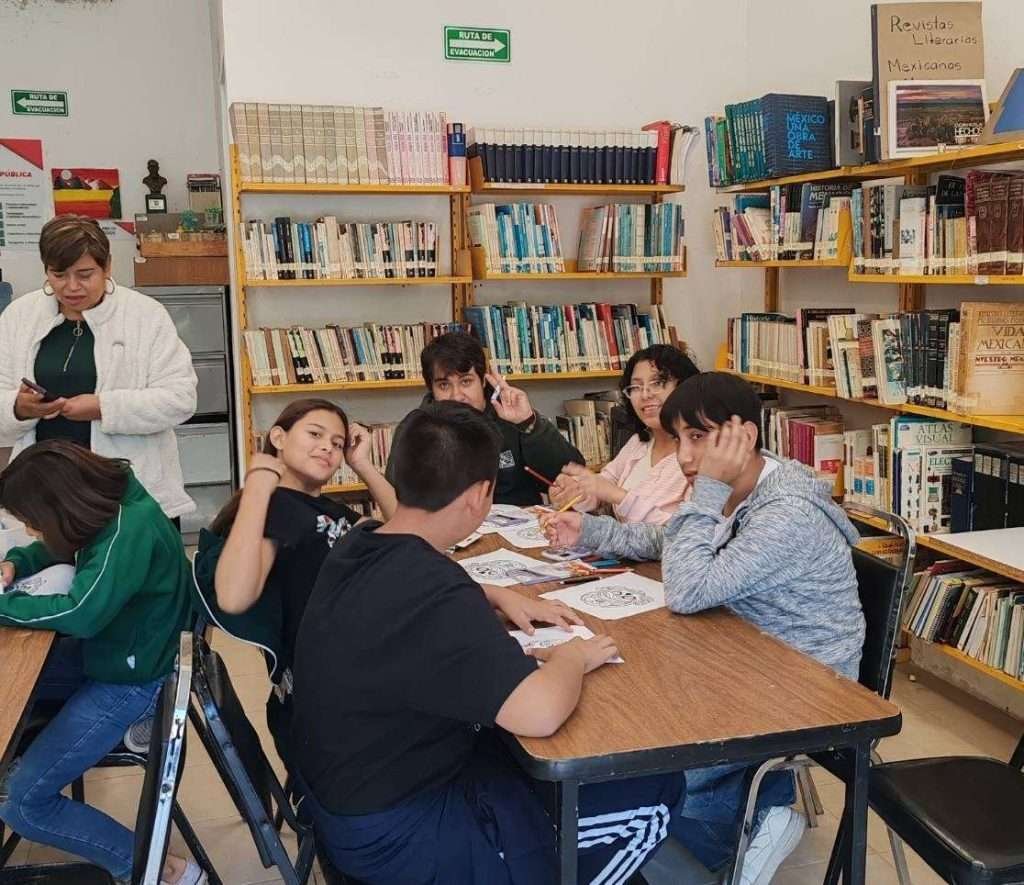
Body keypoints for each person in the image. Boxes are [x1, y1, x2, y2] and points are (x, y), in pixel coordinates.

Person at [291, 401, 684, 884]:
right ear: (480, 495)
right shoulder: (434, 589)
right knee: (655, 794)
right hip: (399, 833)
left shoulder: (362, 540)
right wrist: (570, 657)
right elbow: (539, 713)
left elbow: (414, 603)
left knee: (527, 759)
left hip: (345, 797)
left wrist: (492, 596)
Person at [543, 372, 865, 885]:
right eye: (680, 439)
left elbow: (688, 590)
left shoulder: (786, 512)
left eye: (699, 437)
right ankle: (747, 809)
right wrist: (592, 529)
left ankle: (752, 824)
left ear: (744, 436)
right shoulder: (743, 487)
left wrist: (707, 490)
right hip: (742, 650)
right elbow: (675, 541)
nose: (686, 457)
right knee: (626, 709)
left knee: (647, 756)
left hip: (803, 683)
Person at [0, 441, 203, 884]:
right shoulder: (110, 504)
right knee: (11, 684)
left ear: (61, 506)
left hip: (134, 680)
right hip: (122, 651)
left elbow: (81, 613)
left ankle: (159, 870)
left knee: (22, 804)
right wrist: (16, 562)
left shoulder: (127, 530)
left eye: (34, 521)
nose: (33, 531)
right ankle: (20, 758)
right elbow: (67, 544)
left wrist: (3, 605)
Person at [192, 398, 395, 771]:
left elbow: (406, 534)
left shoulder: (324, 508)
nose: (328, 447)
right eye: (315, 434)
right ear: (279, 438)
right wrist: (257, 488)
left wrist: (363, 464)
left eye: (337, 443)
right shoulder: (275, 508)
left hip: (361, 670)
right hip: (331, 701)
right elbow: (233, 597)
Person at [0, 215, 197, 521]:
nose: (72, 287)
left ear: (107, 268)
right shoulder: (20, 316)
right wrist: (18, 407)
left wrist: (103, 407)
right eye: (59, 275)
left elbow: (180, 399)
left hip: (130, 494)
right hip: (46, 495)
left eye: (85, 274)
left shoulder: (144, 315)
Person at [385, 331, 583, 505]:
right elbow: (397, 500)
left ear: (483, 381)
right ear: (431, 389)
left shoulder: (511, 417)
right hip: (448, 530)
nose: (457, 396)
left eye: (466, 382)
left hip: (518, 528)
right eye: (444, 385)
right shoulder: (415, 429)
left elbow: (575, 476)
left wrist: (529, 423)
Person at [549, 344, 699, 524]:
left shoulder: (700, 454)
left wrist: (618, 496)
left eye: (657, 383)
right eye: (635, 387)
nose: (645, 395)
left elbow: (685, 532)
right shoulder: (639, 443)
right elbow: (602, 493)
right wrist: (577, 493)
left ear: (684, 386)